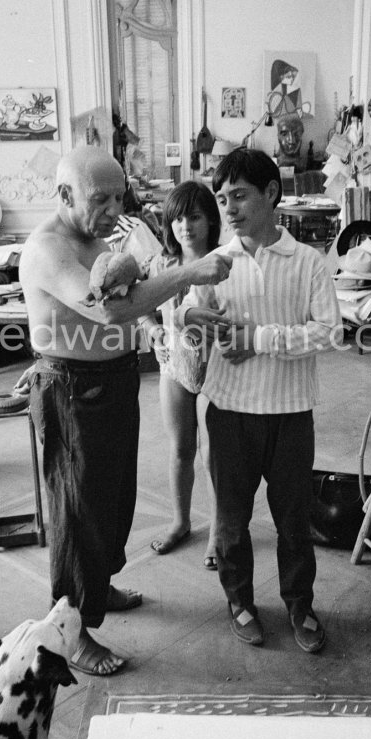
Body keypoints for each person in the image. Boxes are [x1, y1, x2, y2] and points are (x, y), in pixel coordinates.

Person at [19, 146, 232, 677]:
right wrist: (191, 274)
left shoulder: (97, 240)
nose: (114, 209)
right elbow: (109, 306)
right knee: (78, 509)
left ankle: (99, 588)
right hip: (72, 389)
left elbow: (130, 302)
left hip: (112, 380)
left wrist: (159, 321)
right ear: (64, 194)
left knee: (113, 498)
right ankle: (72, 630)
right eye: (101, 199)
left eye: (120, 197)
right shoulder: (49, 248)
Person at [176, 148, 342, 652]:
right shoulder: (215, 263)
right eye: (222, 198)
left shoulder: (308, 263)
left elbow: (328, 332)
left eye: (240, 196)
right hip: (228, 413)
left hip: (291, 414)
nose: (228, 209)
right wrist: (190, 324)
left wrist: (259, 339)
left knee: (293, 519)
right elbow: (186, 315)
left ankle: (299, 603)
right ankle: (240, 600)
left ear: (272, 194)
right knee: (230, 520)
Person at [140, 182, 227, 570]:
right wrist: (151, 328)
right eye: (176, 219)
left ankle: (217, 532)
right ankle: (180, 521)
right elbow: (140, 305)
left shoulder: (224, 262)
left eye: (194, 217)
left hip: (217, 369)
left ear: (210, 219)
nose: (185, 227)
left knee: (213, 455)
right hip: (173, 366)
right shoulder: (162, 265)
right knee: (179, 450)